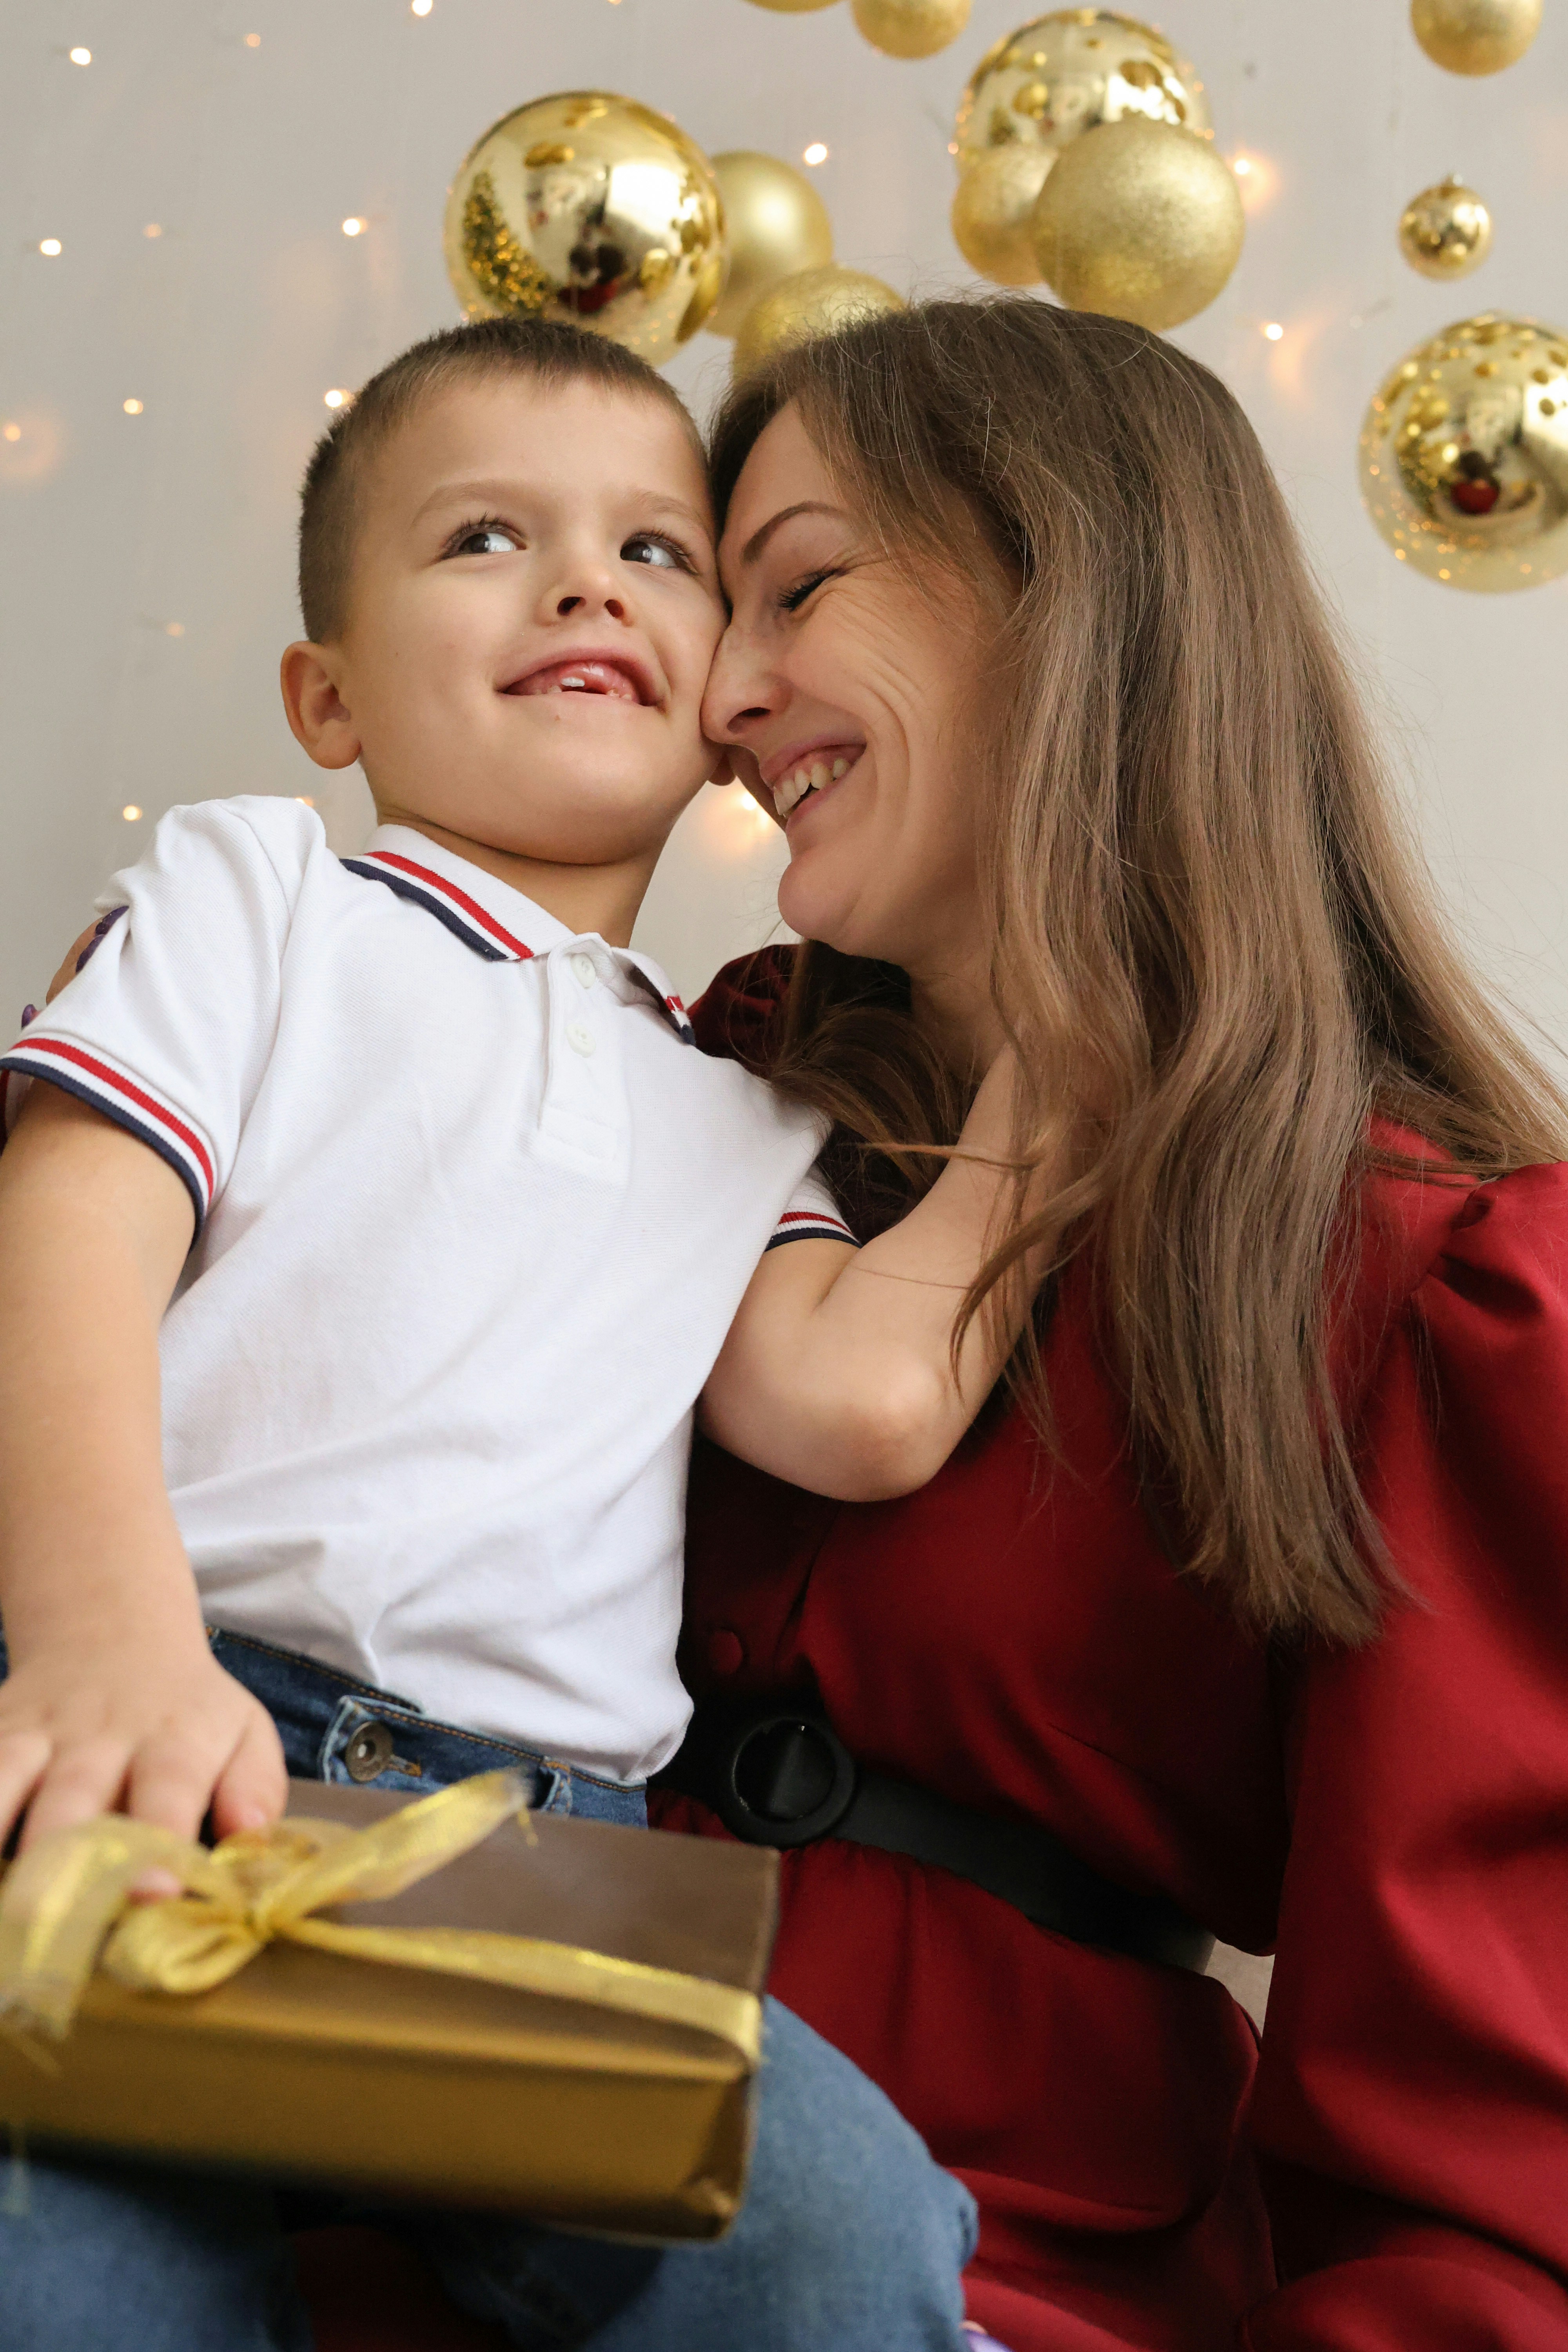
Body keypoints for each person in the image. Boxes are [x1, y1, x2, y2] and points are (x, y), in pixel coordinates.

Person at [0, 315, 1011, 2352]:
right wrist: (111, 1643)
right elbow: (67, 1236)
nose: (584, 585)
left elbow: (859, 1398)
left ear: (726, 707)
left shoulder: (756, 1102)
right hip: (171, 1756)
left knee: (843, 2235)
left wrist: (1068, 1072)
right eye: (486, 538)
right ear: (330, 692)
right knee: (75, 2286)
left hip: (534, 1859)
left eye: (658, 554)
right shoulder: (257, 894)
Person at [644, 298, 1568, 2351]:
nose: (723, 692)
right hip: (450, 2159)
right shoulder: (688, 1087)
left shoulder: (1441, 1289)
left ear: (1062, 588)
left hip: (995, 2266)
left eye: (794, 584)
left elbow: (1472, 2202)